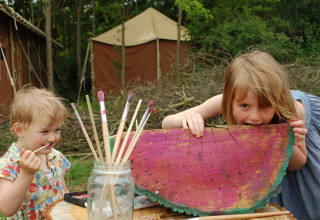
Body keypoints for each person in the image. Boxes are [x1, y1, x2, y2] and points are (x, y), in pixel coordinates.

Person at [162, 50, 320, 220]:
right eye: (245, 106)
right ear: (231, 100)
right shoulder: (224, 101)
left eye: (265, 106)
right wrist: (185, 119)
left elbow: (297, 165)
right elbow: (166, 123)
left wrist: (289, 144)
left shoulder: (292, 111)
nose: (255, 117)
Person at [0, 86, 71, 219]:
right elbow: (7, 209)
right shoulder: (8, 165)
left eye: (57, 130)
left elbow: (63, 191)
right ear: (19, 130)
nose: (52, 138)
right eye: (44, 131)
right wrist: (26, 174)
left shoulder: (55, 156)